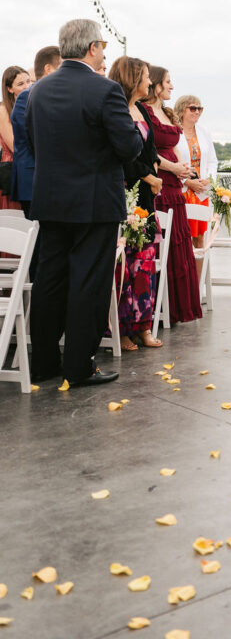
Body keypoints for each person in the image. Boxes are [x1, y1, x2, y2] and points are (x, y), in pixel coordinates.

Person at [26, 19, 142, 385]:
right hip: (94, 204)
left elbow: (31, 139)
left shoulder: (38, 91)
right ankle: (78, 367)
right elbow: (128, 147)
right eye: (103, 47)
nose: (104, 54)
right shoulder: (104, 90)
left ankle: (43, 364)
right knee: (88, 284)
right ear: (93, 47)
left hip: (50, 200)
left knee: (50, 281)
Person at [109, 56, 164, 350]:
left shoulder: (141, 108)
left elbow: (150, 146)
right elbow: (120, 154)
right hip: (126, 192)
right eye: (145, 76)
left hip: (146, 196)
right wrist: (146, 176)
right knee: (125, 263)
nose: (149, 82)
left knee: (145, 261)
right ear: (133, 78)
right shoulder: (116, 109)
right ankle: (124, 328)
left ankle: (144, 325)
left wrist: (154, 166)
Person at [144, 66, 202, 324]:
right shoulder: (144, 111)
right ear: (156, 84)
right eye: (167, 82)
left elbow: (172, 147)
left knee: (178, 246)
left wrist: (185, 173)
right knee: (160, 245)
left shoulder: (166, 113)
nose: (171, 86)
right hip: (158, 184)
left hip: (175, 187)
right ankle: (159, 308)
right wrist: (172, 168)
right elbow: (145, 150)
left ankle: (178, 309)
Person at [10, 46, 61, 279]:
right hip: (33, 181)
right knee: (38, 246)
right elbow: (33, 141)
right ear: (49, 69)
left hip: (52, 182)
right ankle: (37, 302)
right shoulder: (25, 98)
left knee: (50, 245)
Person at [174, 94, 218, 253]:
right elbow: (172, 162)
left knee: (200, 237)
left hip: (201, 192)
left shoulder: (204, 131)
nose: (197, 111)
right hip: (182, 191)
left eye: (200, 108)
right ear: (182, 110)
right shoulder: (174, 131)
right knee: (182, 236)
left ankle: (199, 277)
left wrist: (208, 180)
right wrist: (187, 182)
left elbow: (213, 160)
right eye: (193, 108)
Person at [0, 65, 31, 211]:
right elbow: (14, 145)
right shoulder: (3, 110)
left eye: (28, 81)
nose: (27, 86)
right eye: (20, 84)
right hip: (12, 168)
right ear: (9, 89)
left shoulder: (31, 105)